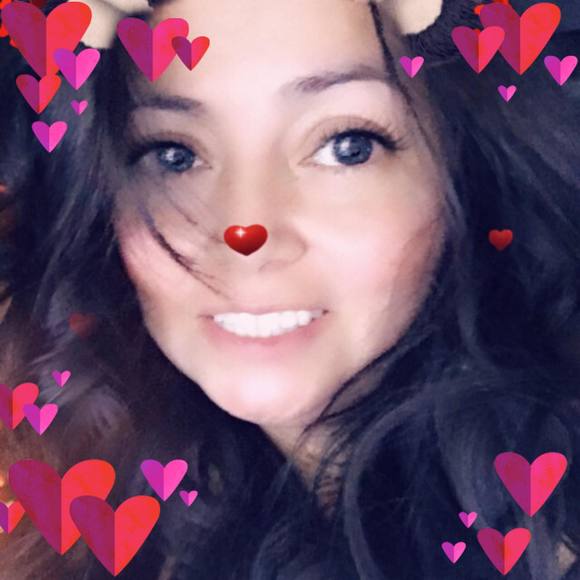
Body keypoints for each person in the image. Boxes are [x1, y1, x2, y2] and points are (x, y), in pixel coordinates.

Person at [0, 0, 579, 578]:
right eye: (174, 155)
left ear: (461, 174)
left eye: (347, 147)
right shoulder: (129, 504)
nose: (245, 233)